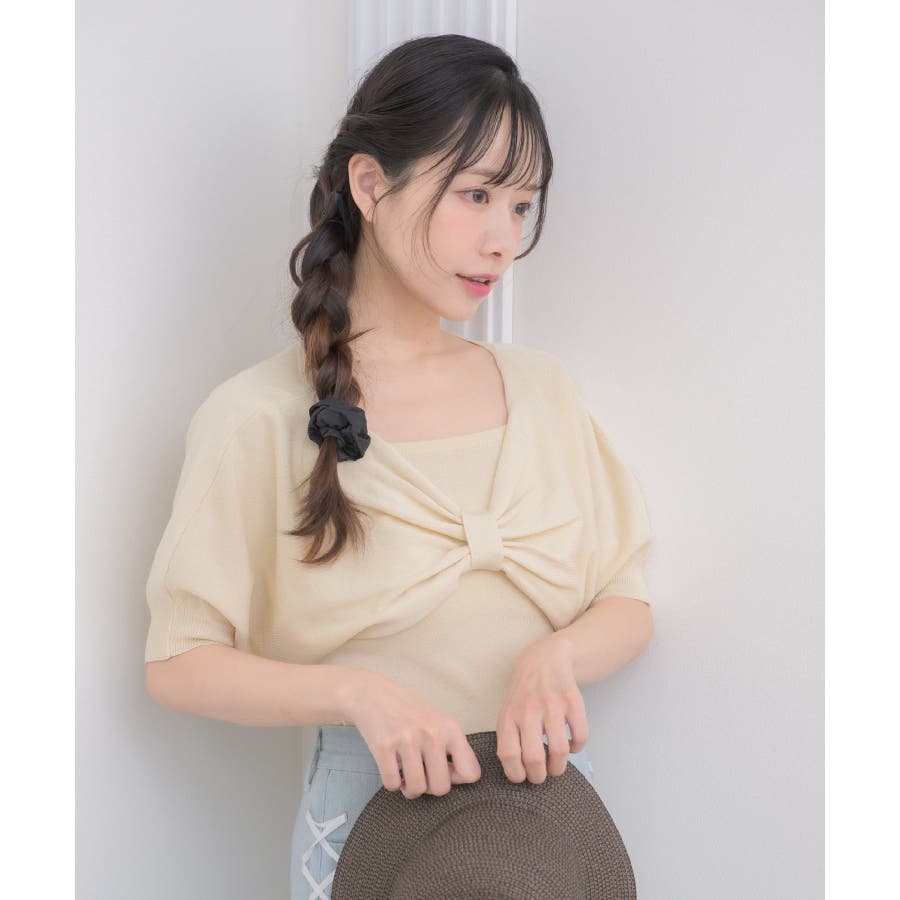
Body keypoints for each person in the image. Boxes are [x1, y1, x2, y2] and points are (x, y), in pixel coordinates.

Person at [144, 34, 655, 900]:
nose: (502, 240)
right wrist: (355, 695)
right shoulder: (259, 415)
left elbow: (628, 599)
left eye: (522, 206)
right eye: (476, 194)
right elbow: (178, 663)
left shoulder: (543, 392)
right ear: (371, 185)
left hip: (544, 828)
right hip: (369, 818)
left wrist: (556, 657)